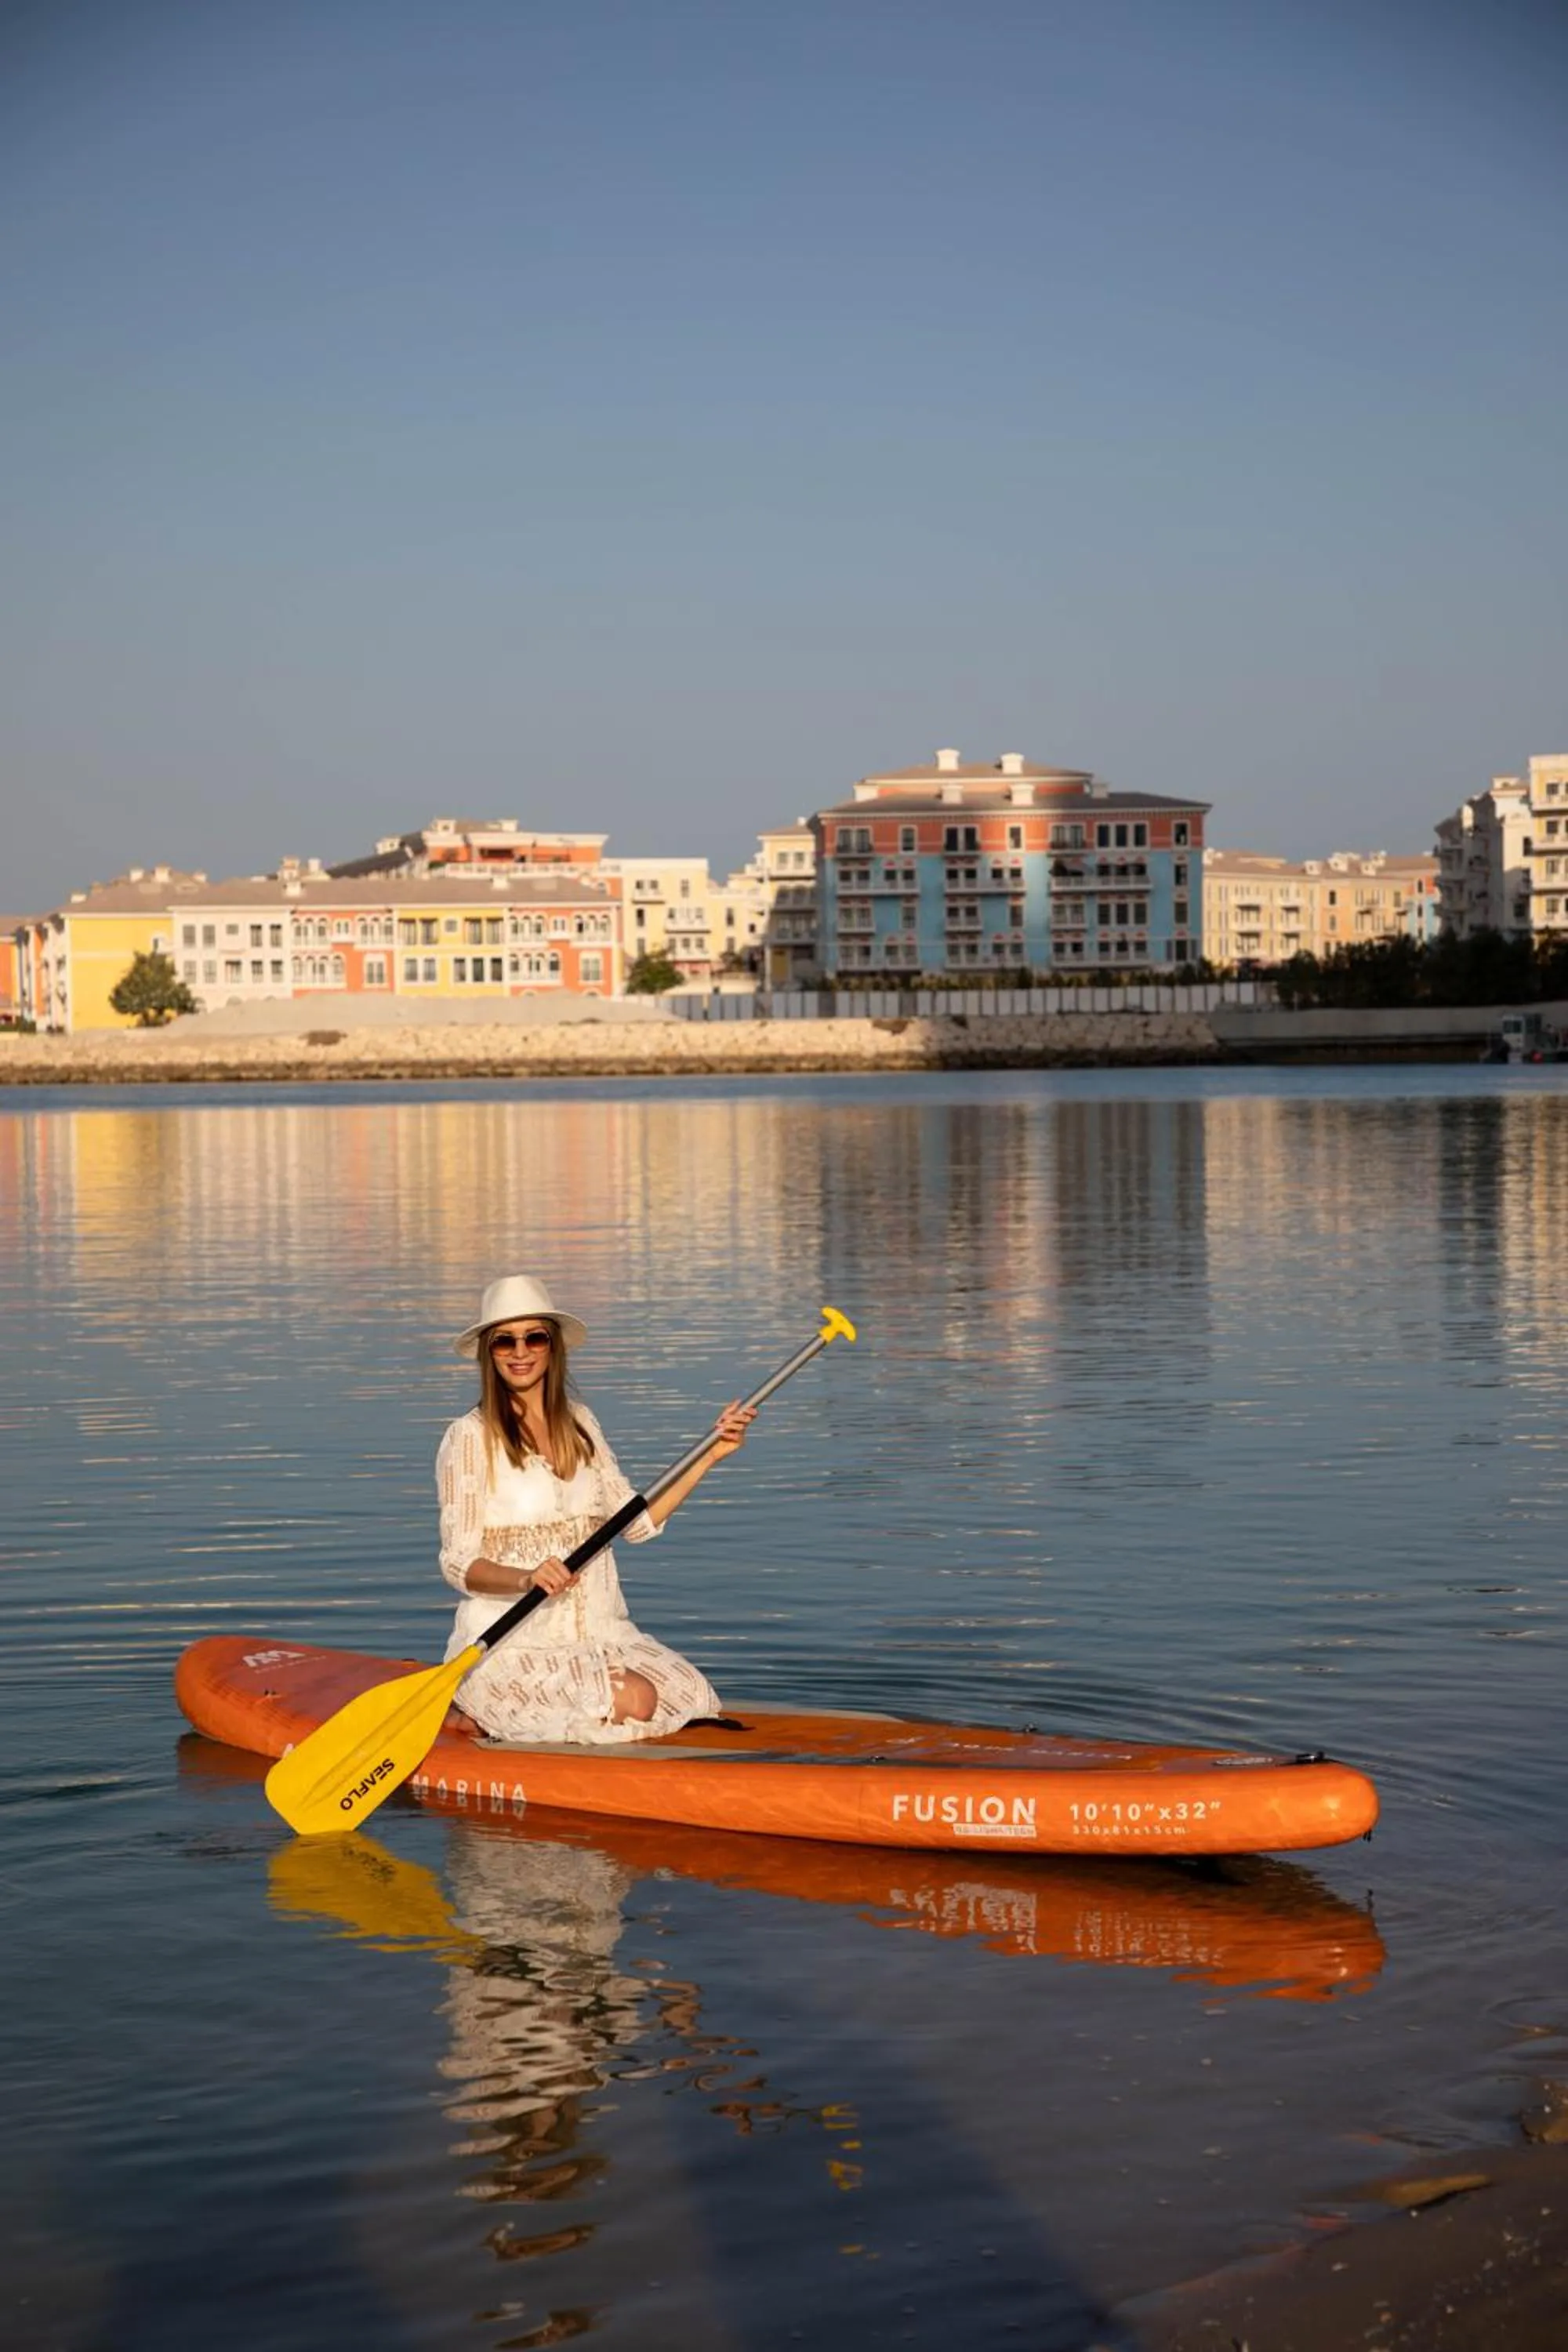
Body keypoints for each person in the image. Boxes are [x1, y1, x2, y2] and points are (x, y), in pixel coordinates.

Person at [437, 1274, 755, 1744]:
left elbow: (637, 1523)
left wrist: (710, 1454)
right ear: (489, 1351)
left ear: (552, 1345)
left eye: (534, 1337)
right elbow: (459, 1564)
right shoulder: (467, 1438)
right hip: (515, 1640)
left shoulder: (582, 1425)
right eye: (505, 1340)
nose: (520, 1352)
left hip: (599, 1633)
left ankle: (507, 1718)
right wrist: (525, 1578)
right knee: (635, 1701)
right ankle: (474, 1706)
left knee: (689, 1693)